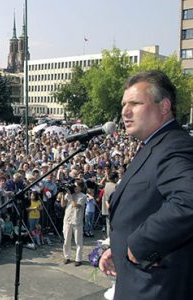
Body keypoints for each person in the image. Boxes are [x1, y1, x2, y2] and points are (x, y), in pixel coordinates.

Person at [99, 70, 193, 299]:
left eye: (135, 103)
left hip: (157, 288)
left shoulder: (174, 146)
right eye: (123, 104)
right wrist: (120, 249)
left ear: (164, 107)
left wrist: (141, 244)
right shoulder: (155, 145)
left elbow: (189, 200)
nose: (124, 111)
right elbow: (146, 207)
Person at [60, 179, 86, 267]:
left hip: (77, 220)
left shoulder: (83, 196)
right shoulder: (70, 194)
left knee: (78, 241)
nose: (74, 188)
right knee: (66, 239)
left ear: (81, 187)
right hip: (67, 219)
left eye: (76, 186)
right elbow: (63, 205)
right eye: (74, 186)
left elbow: (76, 205)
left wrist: (70, 197)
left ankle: (78, 259)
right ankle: (66, 257)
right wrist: (63, 195)